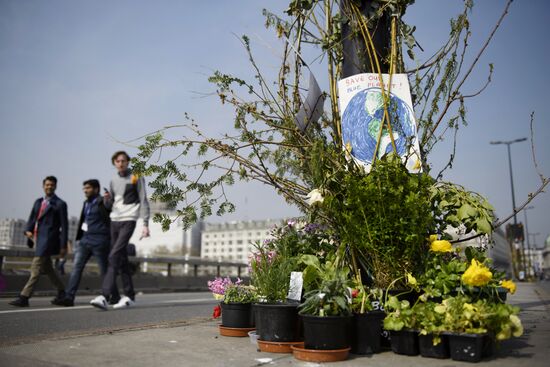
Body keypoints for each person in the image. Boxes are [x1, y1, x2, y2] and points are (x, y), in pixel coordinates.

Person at [90, 151, 150, 310]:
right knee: (121, 259)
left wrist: (145, 224)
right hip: (114, 221)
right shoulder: (113, 180)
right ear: (114, 163)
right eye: (118, 161)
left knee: (114, 254)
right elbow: (112, 205)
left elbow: (143, 199)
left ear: (128, 162)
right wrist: (107, 200)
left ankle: (104, 295)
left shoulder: (136, 177)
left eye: (123, 160)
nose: (121, 163)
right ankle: (129, 296)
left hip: (129, 220)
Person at [9, 176, 68, 307]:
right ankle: (62, 292)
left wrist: (63, 246)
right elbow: (32, 219)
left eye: (52, 185)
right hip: (37, 240)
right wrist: (27, 231)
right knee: (48, 269)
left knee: (35, 268)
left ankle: (24, 297)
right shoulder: (38, 202)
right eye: (47, 185)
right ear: (43, 186)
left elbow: (64, 227)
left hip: (49, 241)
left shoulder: (60, 204)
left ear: (55, 186)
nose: (49, 187)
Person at [60, 179, 119, 307]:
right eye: (84, 188)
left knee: (104, 271)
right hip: (85, 241)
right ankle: (69, 297)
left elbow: (110, 209)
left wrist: (109, 199)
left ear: (96, 189)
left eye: (88, 188)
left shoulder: (102, 201)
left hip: (100, 240)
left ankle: (114, 295)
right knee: (76, 268)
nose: (85, 190)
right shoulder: (86, 203)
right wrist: (79, 238)